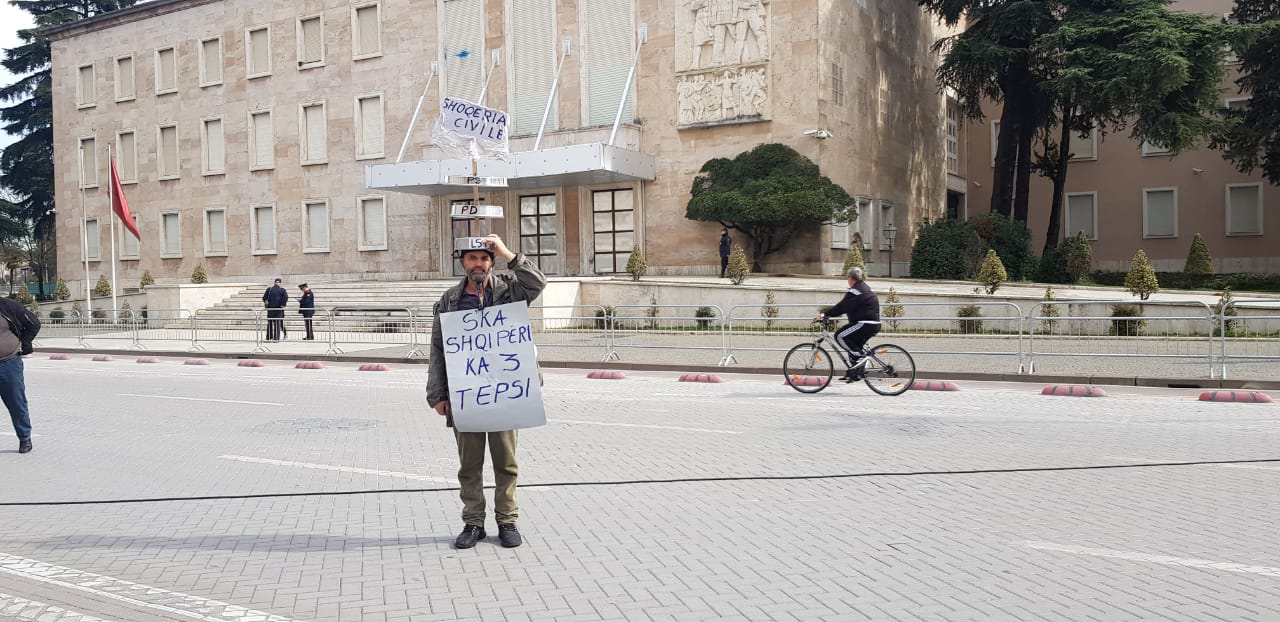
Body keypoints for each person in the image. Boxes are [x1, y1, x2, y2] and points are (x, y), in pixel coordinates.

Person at [427, 234, 547, 550]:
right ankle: (473, 523)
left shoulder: (509, 291)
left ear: (491, 262)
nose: (478, 264)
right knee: (469, 466)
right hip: (466, 396)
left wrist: (508, 253)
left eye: (484, 258)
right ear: (463, 263)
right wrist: (438, 394)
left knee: (506, 463)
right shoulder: (450, 300)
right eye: (472, 258)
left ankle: (507, 521)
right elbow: (438, 347)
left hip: (506, 394)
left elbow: (538, 283)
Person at [814, 266, 880, 382]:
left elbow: (842, 307)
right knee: (852, 344)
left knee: (840, 336)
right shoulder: (864, 288)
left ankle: (860, 358)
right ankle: (854, 374)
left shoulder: (856, 291)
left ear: (850, 278)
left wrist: (825, 315)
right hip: (872, 324)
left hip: (865, 324)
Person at [0, 296, 39, 454]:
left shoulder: (8, 306)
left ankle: (25, 438)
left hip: (8, 363)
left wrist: (24, 344)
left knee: (17, 403)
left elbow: (33, 324)